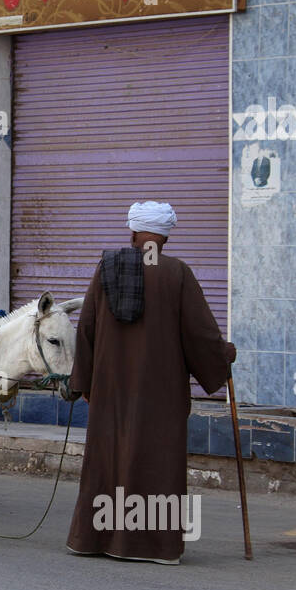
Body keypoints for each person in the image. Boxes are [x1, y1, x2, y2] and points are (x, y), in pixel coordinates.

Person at [66, 201, 235, 565]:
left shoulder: (106, 267)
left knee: (107, 460)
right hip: (161, 393)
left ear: (132, 232)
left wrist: (83, 381)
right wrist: (222, 356)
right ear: (166, 236)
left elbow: (86, 328)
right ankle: (155, 548)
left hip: (110, 389)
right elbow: (200, 334)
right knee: (156, 461)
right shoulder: (177, 273)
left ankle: (93, 540)